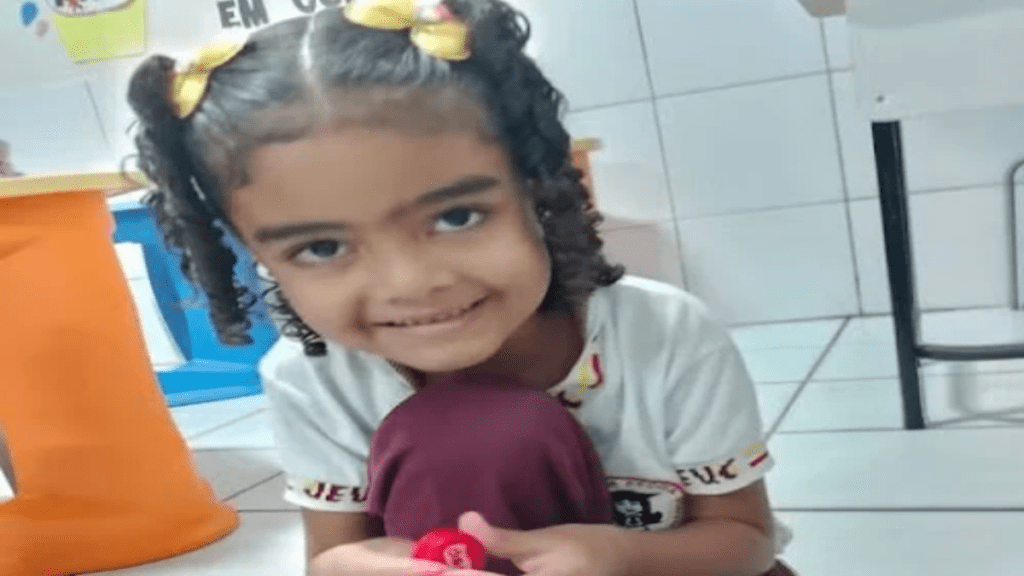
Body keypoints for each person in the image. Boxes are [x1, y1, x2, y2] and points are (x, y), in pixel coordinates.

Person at [127, 1, 794, 575]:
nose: (411, 283)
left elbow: (746, 540)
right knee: (467, 432)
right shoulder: (311, 376)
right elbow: (331, 557)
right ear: (257, 256)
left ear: (534, 189)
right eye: (323, 248)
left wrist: (620, 555)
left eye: (456, 217)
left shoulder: (665, 334)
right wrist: (356, 566)